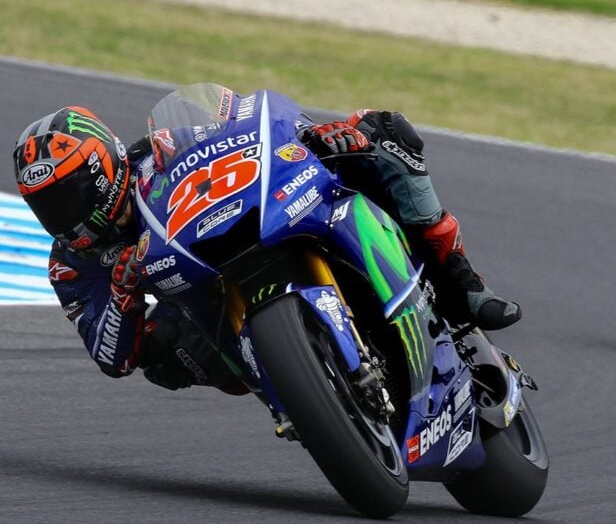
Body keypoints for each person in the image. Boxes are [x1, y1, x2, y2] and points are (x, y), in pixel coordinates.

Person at [12, 101, 520, 392]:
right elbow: (111, 357)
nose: (61, 215)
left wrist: (317, 134)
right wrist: (124, 291)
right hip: (204, 304)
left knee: (383, 132)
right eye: (45, 205)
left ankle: (463, 288)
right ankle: (293, 386)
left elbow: (253, 126)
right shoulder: (70, 262)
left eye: (66, 195)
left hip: (254, 220)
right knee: (162, 353)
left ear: (102, 170)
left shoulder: (162, 149)